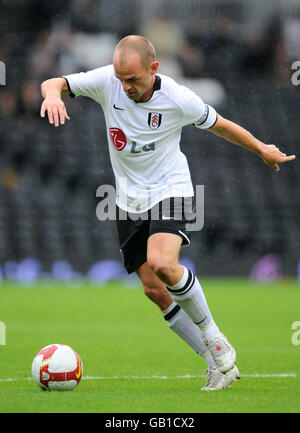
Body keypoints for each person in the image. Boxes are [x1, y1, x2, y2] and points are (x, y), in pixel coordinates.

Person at [40, 35, 295, 391]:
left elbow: (221, 125)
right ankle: (214, 364)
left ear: (153, 68)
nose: (125, 86)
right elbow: (56, 82)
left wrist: (261, 149)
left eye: (132, 79)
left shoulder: (177, 98)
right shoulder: (108, 81)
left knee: (163, 262)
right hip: (128, 200)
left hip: (170, 189)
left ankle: (214, 335)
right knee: (153, 289)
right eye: (120, 78)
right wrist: (53, 94)